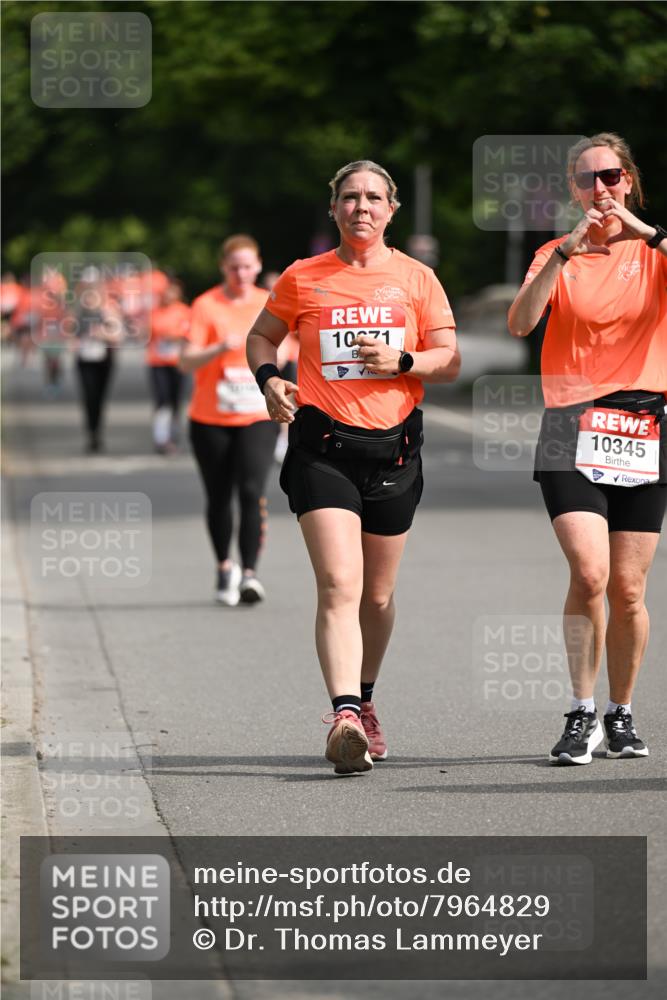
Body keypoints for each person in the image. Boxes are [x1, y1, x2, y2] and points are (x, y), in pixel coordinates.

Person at [246, 160, 460, 774]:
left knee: (378, 593)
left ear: (392, 210)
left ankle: (365, 700)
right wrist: (270, 381)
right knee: (340, 584)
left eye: (372, 198)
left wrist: (404, 360)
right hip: (322, 450)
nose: (360, 206)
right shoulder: (303, 277)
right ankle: (342, 717)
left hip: (393, 451)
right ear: (333, 209)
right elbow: (260, 337)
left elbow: (448, 360)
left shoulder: (418, 278)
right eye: (349, 197)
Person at [508, 132, 667, 765]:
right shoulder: (556, 250)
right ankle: (581, 712)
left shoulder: (655, 252)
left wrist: (646, 231)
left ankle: (621, 713)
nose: (597, 189)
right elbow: (521, 322)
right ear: (572, 190)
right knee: (590, 572)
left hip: (643, 425)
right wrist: (561, 256)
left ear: (627, 179)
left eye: (608, 177)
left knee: (628, 588)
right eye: (585, 180)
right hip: (571, 423)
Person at [181, 235, 278, 606]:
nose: (241, 273)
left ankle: (249, 574)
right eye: (234, 267)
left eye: (247, 266)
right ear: (224, 267)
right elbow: (185, 361)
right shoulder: (206, 305)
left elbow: (286, 348)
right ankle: (225, 565)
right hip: (210, 416)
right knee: (219, 496)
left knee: (252, 491)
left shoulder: (268, 303)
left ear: (257, 266)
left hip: (256, 414)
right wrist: (217, 348)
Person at [146, 277, 190, 453]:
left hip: (178, 363)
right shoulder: (153, 312)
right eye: (166, 291)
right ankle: (161, 437)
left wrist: (175, 336)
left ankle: (173, 433)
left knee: (176, 400)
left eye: (173, 291)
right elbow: (146, 332)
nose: (168, 295)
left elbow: (190, 333)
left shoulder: (184, 311)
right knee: (162, 399)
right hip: (157, 362)